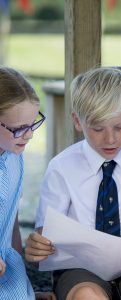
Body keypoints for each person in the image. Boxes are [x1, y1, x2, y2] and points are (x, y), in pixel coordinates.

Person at [25, 67, 121, 300]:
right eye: (97, 129)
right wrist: (39, 245)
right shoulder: (61, 167)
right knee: (87, 295)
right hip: (80, 268)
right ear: (78, 121)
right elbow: (46, 232)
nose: (110, 138)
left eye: (119, 127)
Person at [0, 66, 45, 299]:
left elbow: (11, 219)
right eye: (19, 129)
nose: (29, 135)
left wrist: (25, 287)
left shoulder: (15, 156)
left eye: (32, 124)